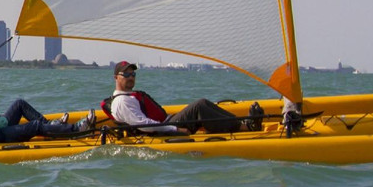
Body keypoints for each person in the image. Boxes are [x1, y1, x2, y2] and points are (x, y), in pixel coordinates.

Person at [103, 61, 264, 134]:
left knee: (203, 104)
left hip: (166, 122)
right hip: (162, 130)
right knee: (199, 106)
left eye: (133, 74)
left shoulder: (128, 96)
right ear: (116, 77)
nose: (131, 77)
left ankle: (242, 124)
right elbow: (144, 125)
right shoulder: (122, 101)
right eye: (126, 74)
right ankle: (246, 127)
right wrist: (175, 129)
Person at [0, 69, 93, 144]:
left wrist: (1, 121)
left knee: (19, 104)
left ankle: (51, 125)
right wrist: (2, 121)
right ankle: (76, 130)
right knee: (34, 126)